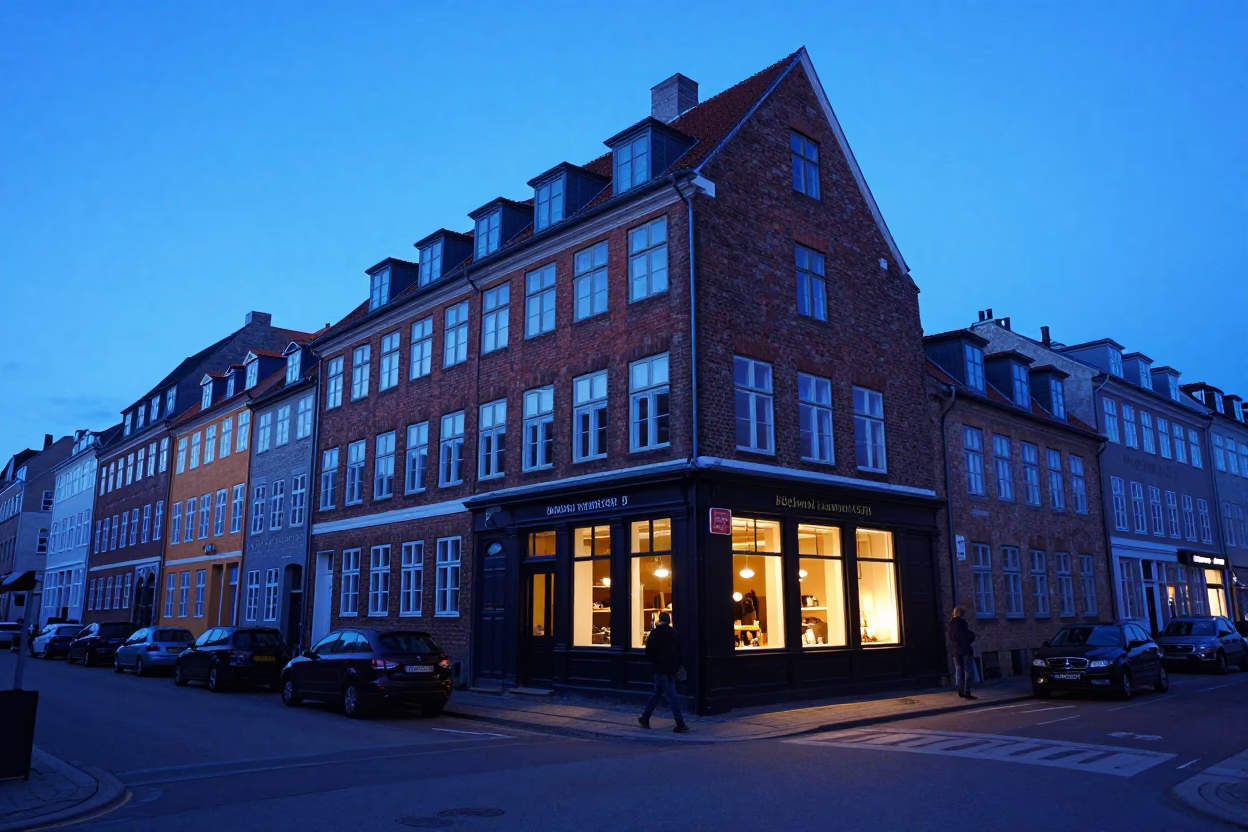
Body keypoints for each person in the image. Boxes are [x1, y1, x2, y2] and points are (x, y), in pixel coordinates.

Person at [638, 612, 690, 733]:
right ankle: (645, 718)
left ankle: (680, 723)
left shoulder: (655, 633)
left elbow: (649, 651)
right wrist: (677, 665)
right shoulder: (674, 633)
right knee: (657, 694)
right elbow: (680, 651)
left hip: (660, 669)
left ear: (659, 620)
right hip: (672, 669)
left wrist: (655, 662)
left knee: (671, 696)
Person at [948, 606, 977, 700]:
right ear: (961, 614)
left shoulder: (950, 624)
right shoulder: (962, 622)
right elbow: (967, 635)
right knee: (967, 670)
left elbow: (951, 637)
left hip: (955, 650)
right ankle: (967, 691)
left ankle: (960, 689)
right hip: (965, 649)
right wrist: (972, 637)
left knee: (958, 669)